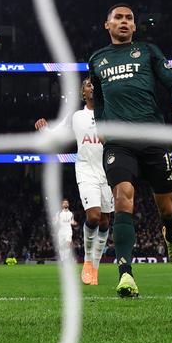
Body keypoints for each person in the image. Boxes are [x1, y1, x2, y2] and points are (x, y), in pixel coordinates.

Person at [89, 3, 172, 298]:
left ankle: (171, 236)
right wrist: (101, 126)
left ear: (134, 26)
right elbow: (100, 99)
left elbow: (167, 77)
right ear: (107, 25)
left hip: (153, 137)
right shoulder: (97, 59)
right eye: (118, 18)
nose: (124, 21)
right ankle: (126, 275)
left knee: (168, 210)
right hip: (119, 142)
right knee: (123, 198)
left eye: (129, 18)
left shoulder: (147, 51)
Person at [35, 76, 113, 287]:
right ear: (83, 93)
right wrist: (45, 130)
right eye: (88, 85)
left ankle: (95, 267)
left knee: (106, 221)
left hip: (109, 171)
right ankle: (88, 260)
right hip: (86, 169)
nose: (92, 88)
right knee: (94, 216)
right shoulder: (77, 116)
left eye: (95, 85)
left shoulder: (111, 113)